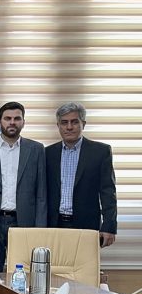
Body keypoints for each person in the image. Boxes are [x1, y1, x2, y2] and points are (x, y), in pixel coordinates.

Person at [0, 102, 47, 272]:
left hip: (24, 223)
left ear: (23, 122)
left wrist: (40, 229)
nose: (12, 122)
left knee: (22, 274)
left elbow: (41, 193)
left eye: (17, 118)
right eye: (7, 118)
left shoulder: (36, 149)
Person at [46, 102, 117, 247]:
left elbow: (108, 192)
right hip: (53, 224)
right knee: (55, 262)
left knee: (85, 262)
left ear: (83, 124)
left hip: (87, 225)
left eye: (74, 122)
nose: (69, 127)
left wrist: (109, 226)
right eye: (64, 122)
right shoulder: (47, 153)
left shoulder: (100, 152)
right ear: (58, 126)